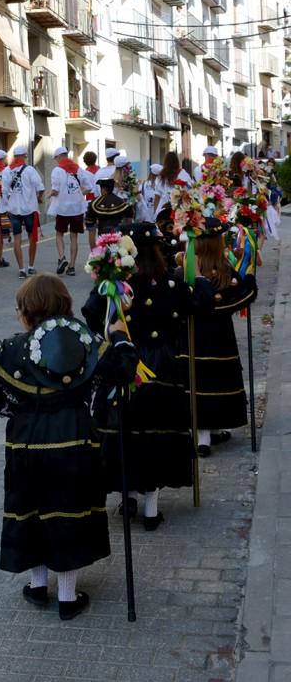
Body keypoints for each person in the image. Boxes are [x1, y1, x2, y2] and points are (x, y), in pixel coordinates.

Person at [0, 275, 137, 620]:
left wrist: (7, 406)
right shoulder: (87, 341)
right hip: (74, 437)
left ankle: (38, 585)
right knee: (68, 509)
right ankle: (67, 596)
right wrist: (119, 336)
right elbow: (123, 370)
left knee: (31, 508)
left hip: (26, 440)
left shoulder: (14, 347)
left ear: (27, 312)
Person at [82, 223, 201, 531]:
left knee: (127, 429)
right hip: (162, 366)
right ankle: (150, 508)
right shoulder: (171, 284)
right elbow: (194, 307)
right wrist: (197, 279)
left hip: (126, 363)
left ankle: (130, 495)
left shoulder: (117, 286)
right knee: (156, 432)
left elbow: (90, 312)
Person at [178, 219, 258, 457]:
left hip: (198, 336)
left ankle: (210, 430)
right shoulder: (194, 271)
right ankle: (202, 436)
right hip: (212, 337)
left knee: (204, 380)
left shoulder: (216, 268)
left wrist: (247, 276)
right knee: (209, 380)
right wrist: (249, 285)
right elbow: (227, 302)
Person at [1, 145, 45, 278]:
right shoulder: (30, 169)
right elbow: (40, 187)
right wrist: (39, 197)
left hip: (14, 209)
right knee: (32, 238)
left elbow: (4, 191)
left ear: (14, 157)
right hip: (29, 209)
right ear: (25, 156)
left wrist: (8, 203)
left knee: (17, 238)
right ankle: (31, 267)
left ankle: (21, 269)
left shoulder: (7, 170)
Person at [49, 146, 93, 278]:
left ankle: (62, 257)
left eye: (56, 158)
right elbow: (89, 187)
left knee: (59, 234)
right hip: (77, 209)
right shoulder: (79, 169)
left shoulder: (57, 171)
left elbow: (55, 190)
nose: (56, 160)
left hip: (62, 209)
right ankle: (72, 267)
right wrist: (78, 194)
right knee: (74, 237)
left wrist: (49, 195)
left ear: (59, 157)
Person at [153, 151, 193, 219]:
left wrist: (155, 213)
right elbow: (190, 191)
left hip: (163, 210)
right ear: (177, 162)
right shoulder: (183, 174)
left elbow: (157, 196)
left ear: (165, 162)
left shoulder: (161, 176)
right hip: (179, 209)